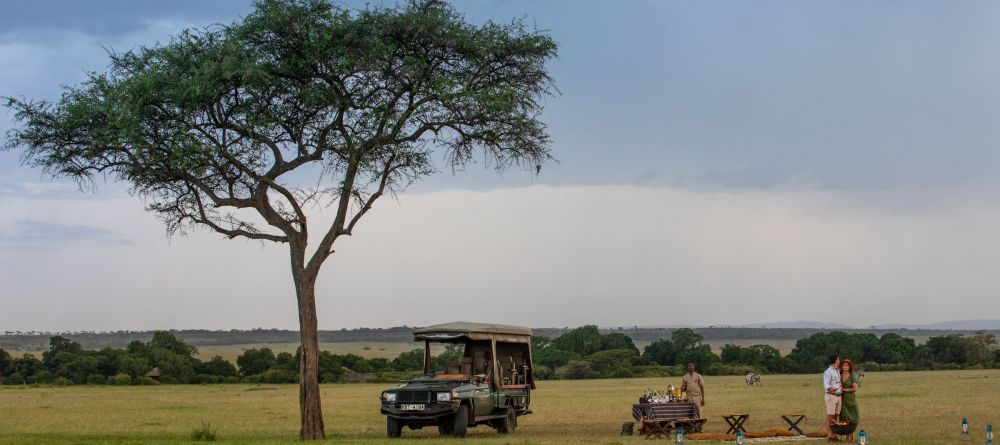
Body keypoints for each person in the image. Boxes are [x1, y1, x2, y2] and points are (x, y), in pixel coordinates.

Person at [839, 359, 860, 442]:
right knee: (844, 416)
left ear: (850, 366)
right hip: (842, 399)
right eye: (844, 365)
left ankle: (852, 436)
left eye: (847, 365)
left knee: (852, 417)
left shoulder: (852, 376)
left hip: (850, 399)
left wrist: (844, 390)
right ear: (842, 366)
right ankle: (847, 435)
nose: (845, 367)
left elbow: (854, 388)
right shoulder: (839, 375)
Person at [823, 354, 842, 441]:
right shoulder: (828, 371)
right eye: (838, 360)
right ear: (834, 361)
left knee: (836, 416)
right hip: (831, 395)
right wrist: (829, 388)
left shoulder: (837, 370)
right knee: (830, 416)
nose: (839, 361)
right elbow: (826, 383)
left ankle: (834, 435)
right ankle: (829, 436)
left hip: (838, 396)